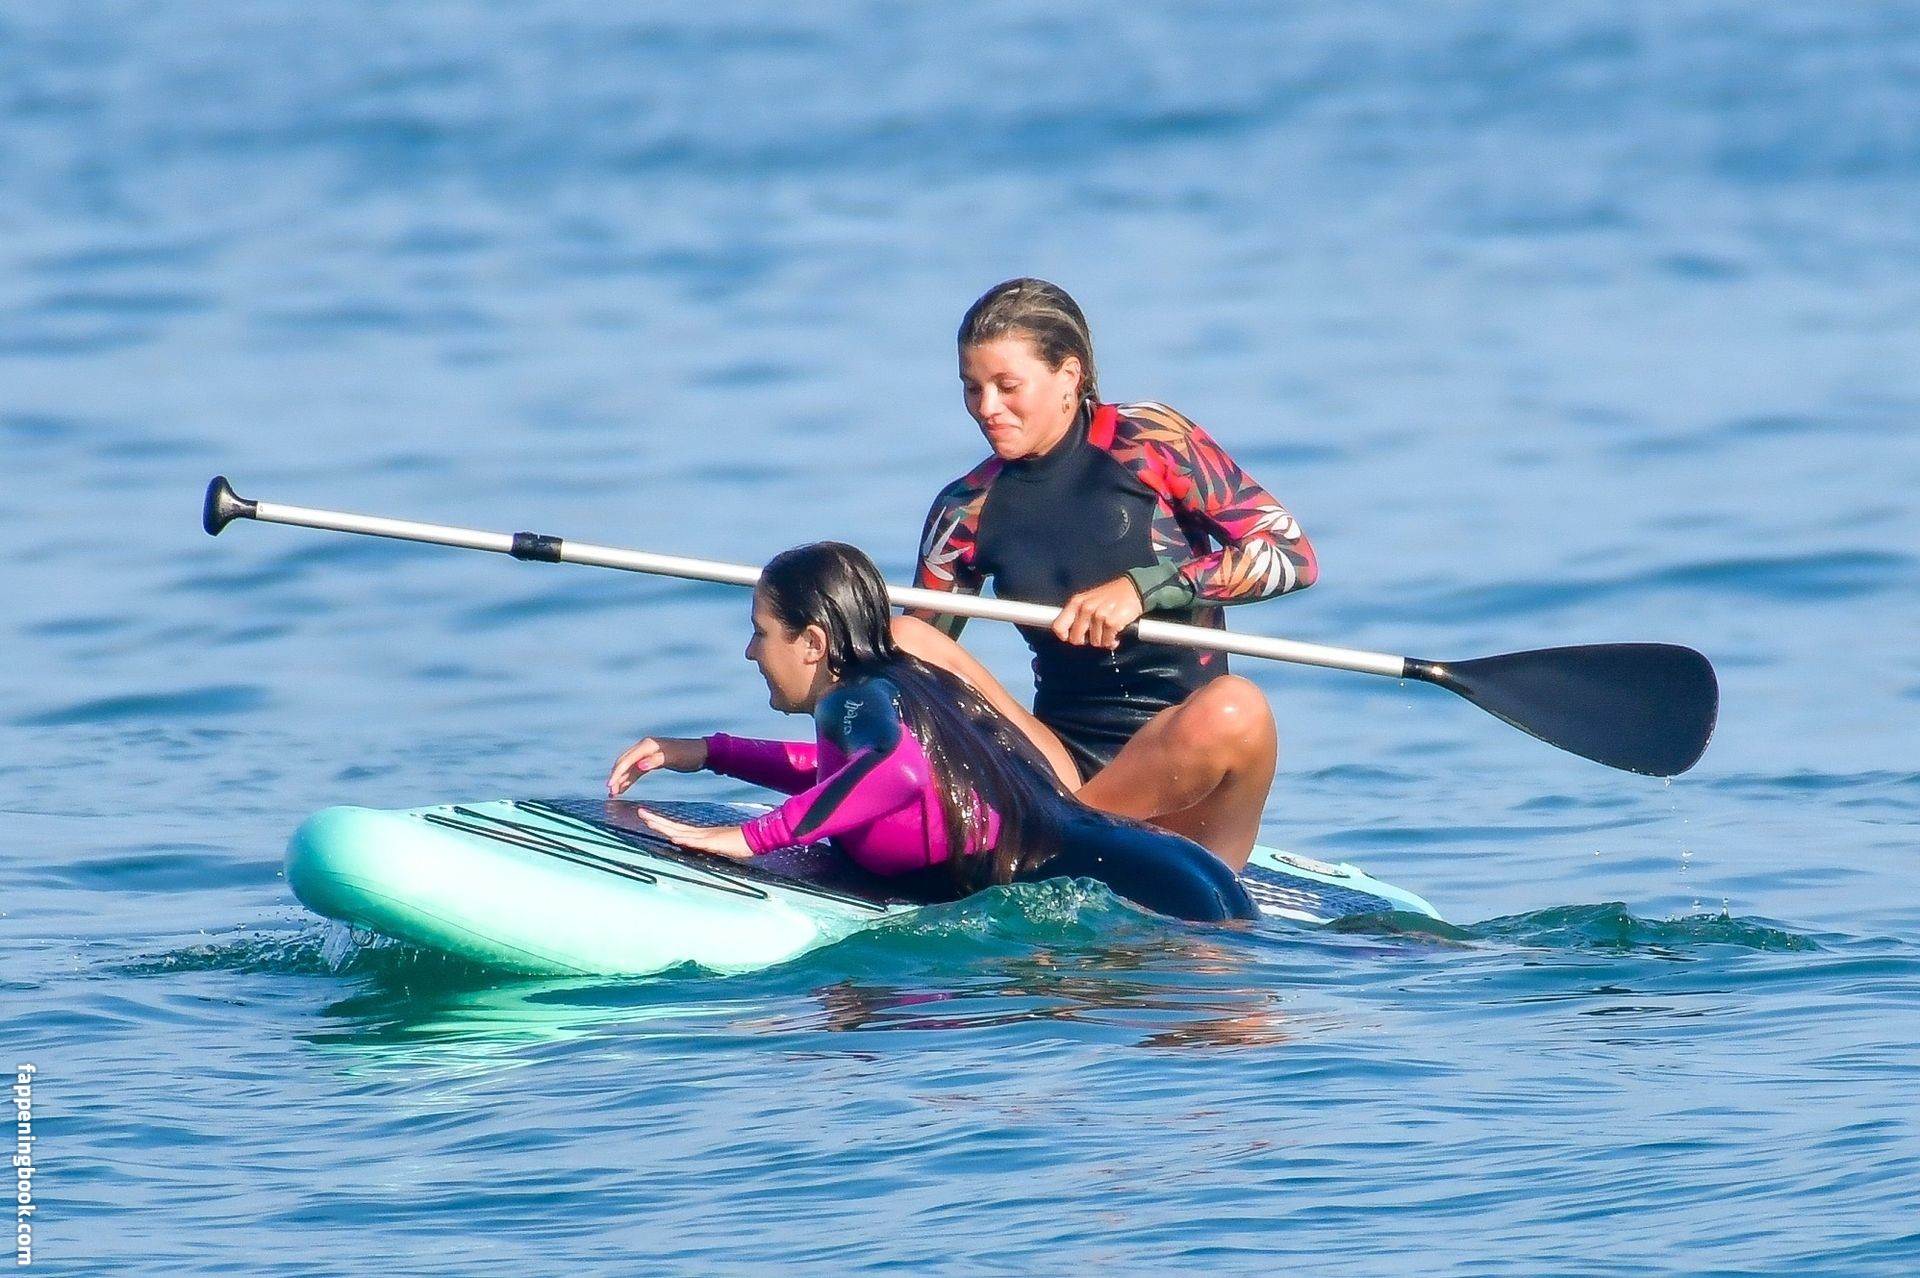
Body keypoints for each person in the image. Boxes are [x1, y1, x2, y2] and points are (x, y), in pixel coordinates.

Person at [895, 277, 1317, 873]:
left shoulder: (1149, 441)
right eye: (972, 388)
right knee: (905, 640)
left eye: (1007, 386)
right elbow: (909, 667)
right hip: (1056, 766)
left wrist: (1143, 589)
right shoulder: (967, 508)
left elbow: (1290, 554)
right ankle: (1054, 830)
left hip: (1185, 786)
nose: (987, 408)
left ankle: (1050, 841)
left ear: (1069, 375)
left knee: (1237, 708)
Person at [606, 541, 1256, 924]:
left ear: (813, 643)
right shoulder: (898, 682)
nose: (751, 652)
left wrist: (751, 837)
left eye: (760, 633)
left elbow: (896, 771)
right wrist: (710, 754)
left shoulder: (853, 700)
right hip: (1168, 865)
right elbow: (842, 775)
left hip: (1136, 886)